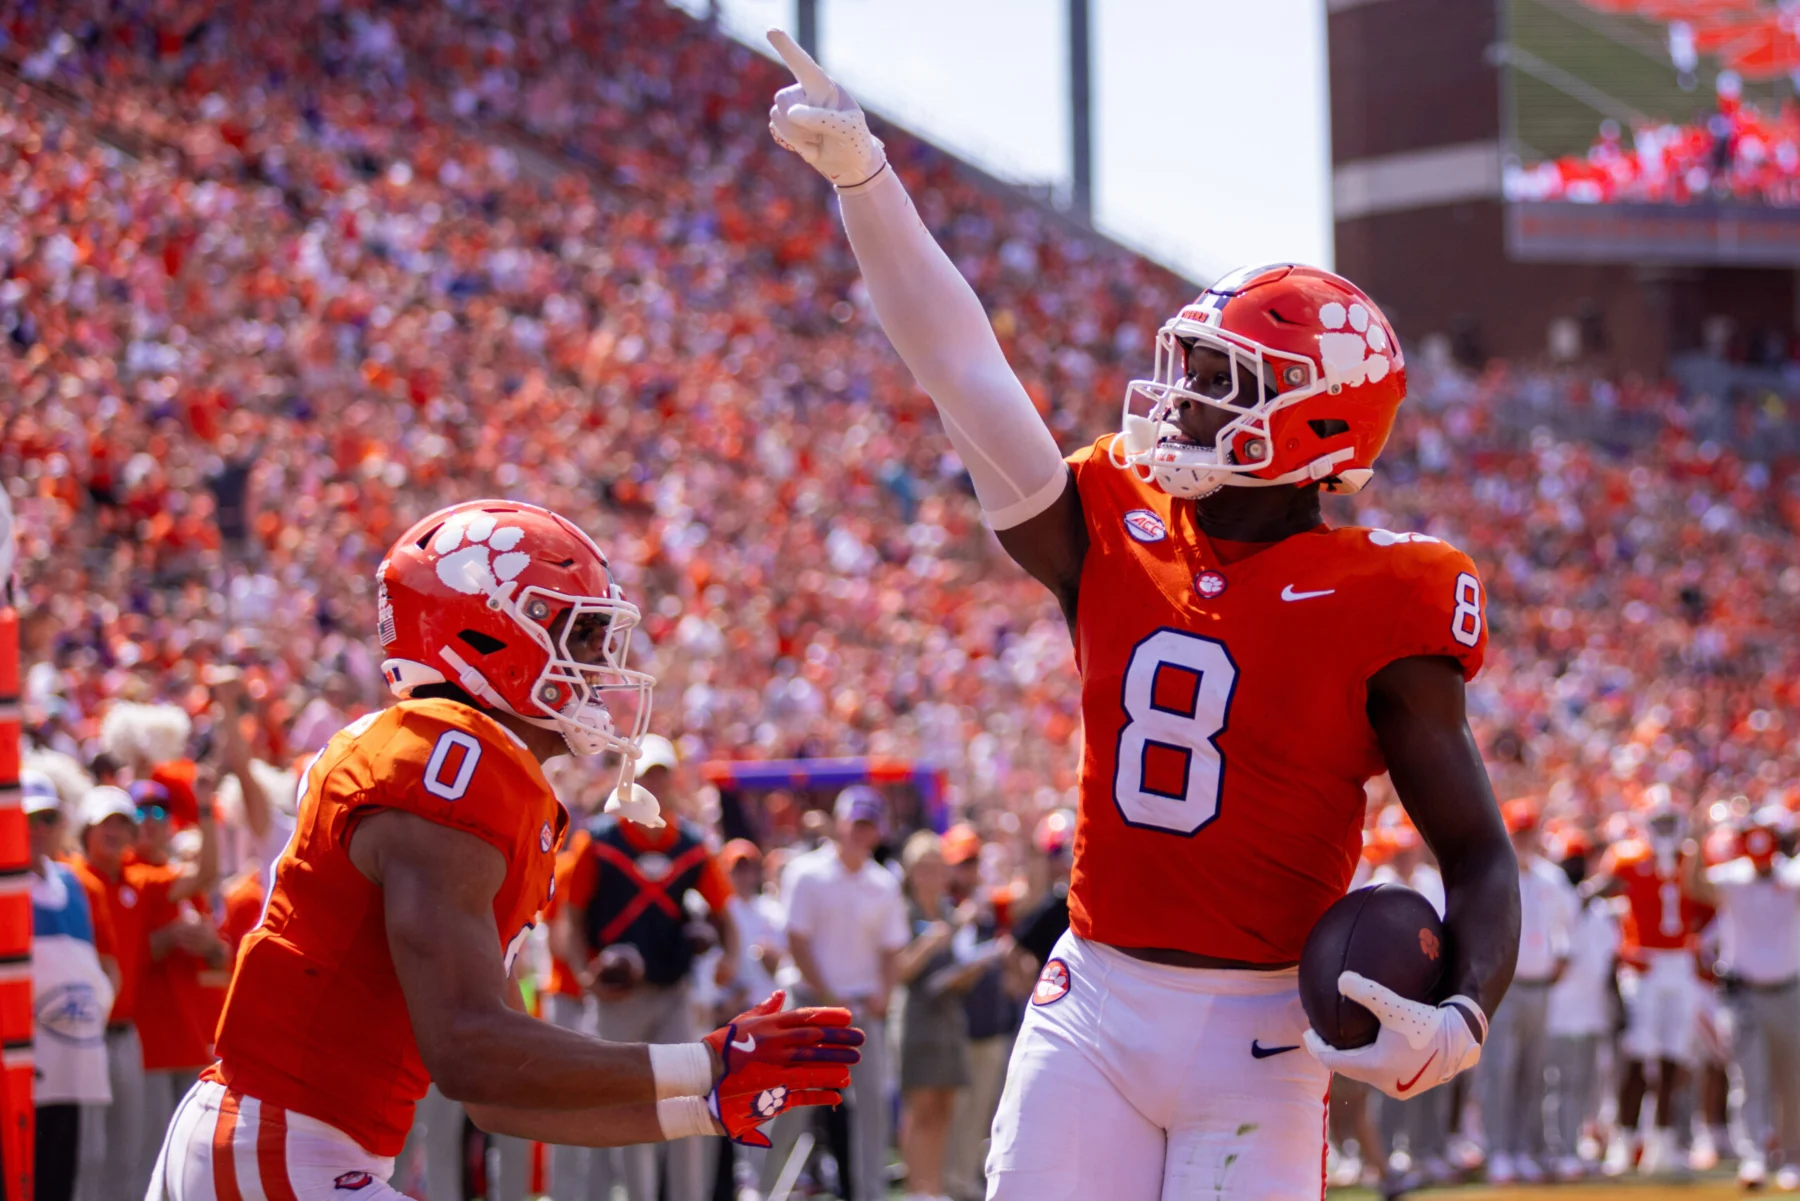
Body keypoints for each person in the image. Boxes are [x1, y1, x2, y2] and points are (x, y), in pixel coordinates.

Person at [765, 35, 1520, 1200]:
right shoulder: (1114, 518)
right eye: (1190, 368)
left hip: (1264, 1031)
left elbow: (1475, 850)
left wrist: (1464, 1012)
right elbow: (961, 368)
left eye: (1222, 381)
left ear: (1317, 426)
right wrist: (868, 181)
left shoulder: (1386, 597)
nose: (1182, 401)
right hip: (1094, 1003)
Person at [149, 500, 862, 1199]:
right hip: (282, 1147)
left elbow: (499, 1096)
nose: (600, 665)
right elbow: (468, 1050)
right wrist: (704, 1061)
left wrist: (703, 1107)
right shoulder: (448, 761)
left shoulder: (472, 768)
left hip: (285, 1145)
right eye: (582, 635)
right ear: (489, 632)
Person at [553, 733, 740, 1201]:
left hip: (672, 989)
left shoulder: (691, 845)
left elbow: (725, 915)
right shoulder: (599, 841)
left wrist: (730, 957)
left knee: (686, 1099)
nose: (655, 785)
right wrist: (586, 975)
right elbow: (572, 917)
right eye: (646, 777)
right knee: (627, 1106)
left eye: (662, 775)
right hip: (619, 997)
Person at [69, 781, 217, 1201]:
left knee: (130, 1158)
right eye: (106, 824)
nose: (115, 832)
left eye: (122, 825)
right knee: (87, 1156)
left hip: (125, 1035)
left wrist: (206, 809)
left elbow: (204, 875)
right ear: (86, 830)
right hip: (82, 1034)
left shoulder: (138, 882)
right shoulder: (72, 879)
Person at [762, 786, 911, 1201]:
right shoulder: (806, 872)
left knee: (873, 1109)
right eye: (855, 823)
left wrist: (885, 992)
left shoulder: (884, 882)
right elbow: (797, 940)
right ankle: (762, 1190)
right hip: (810, 1006)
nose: (860, 833)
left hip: (860, 1010)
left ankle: (870, 1194)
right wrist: (828, 994)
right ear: (840, 824)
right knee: (790, 1107)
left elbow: (892, 948)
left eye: (868, 825)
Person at [1586, 787, 1703, 1178]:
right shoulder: (1627, 859)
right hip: (1644, 965)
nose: (1666, 829)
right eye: (1660, 822)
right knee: (1636, 1056)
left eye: (1671, 821)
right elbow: (1593, 895)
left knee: (1674, 1057)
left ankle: (1663, 1142)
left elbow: (1714, 903)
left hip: (1680, 962)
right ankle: (1623, 1139)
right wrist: (1619, 944)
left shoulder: (1691, 860)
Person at [1683, 805, 1800, 1190]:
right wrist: (1696, 840)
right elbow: (1695, 886)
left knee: (1792, 1080)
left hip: (1788, 991)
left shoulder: (1792, 876)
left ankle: (1793, 1157)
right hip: (1744, 994)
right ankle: (1753, 1158)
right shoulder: (1733, 877)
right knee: (1748, 1079)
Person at [894, 831, 1006, 1201]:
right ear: (911, 872)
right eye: (925, 868)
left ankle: (935, 1187)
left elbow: (955, 968)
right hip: (918, 1019)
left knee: (944, 1107)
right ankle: (917, 1189)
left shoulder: (945, 911)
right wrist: (929, 944)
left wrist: (974, 968)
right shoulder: (904, 912)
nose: (933, 876)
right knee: (920, 1108)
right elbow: (898, 971)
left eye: (937, 867)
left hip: (949, 1017)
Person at [25, 771, 115, 1201]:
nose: (38, 829)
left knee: (61, 1179)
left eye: (46, 818)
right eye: (27, 819)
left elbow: (103, 964)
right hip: (22, 1071)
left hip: (72, 1064)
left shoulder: (74, 883)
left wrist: (95, 1013)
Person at [1478, 798, 1574, 1185]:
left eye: (1528, 833)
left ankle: (1521, 1149)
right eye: (1518, 834)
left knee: (1532, 1071)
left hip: (1540, 985)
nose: (1523, 841)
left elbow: (1567, 923)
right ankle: (1498, 1150)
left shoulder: (1551, 878)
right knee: (1498, 1071)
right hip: (1505, 985)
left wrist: (1562, 955)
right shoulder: (1495, 873)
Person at [1544, 828, 1619, 1182]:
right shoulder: (1555, 897)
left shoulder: (1601, 910)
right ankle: (1557, 1149)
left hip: (1592, 1009)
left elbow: (1608, 961)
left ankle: (1575, 1147)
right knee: (1559, 1084)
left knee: (1585, 1084)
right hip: (1560, 1010)